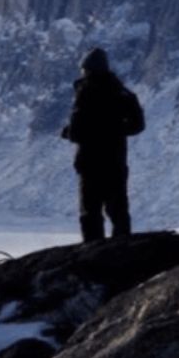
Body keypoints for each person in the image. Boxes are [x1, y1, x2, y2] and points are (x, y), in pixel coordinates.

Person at [59, 47, 144, 242]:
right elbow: (138, 125)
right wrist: (116, 131)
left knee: (90, 212)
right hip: (116, 161)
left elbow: (77, 131)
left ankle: (93, 253)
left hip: (90, 163)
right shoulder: (123, 93)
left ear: (88, 70)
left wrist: (68, 133)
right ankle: (123, 251)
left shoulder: (86, 93)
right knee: (118, 210)